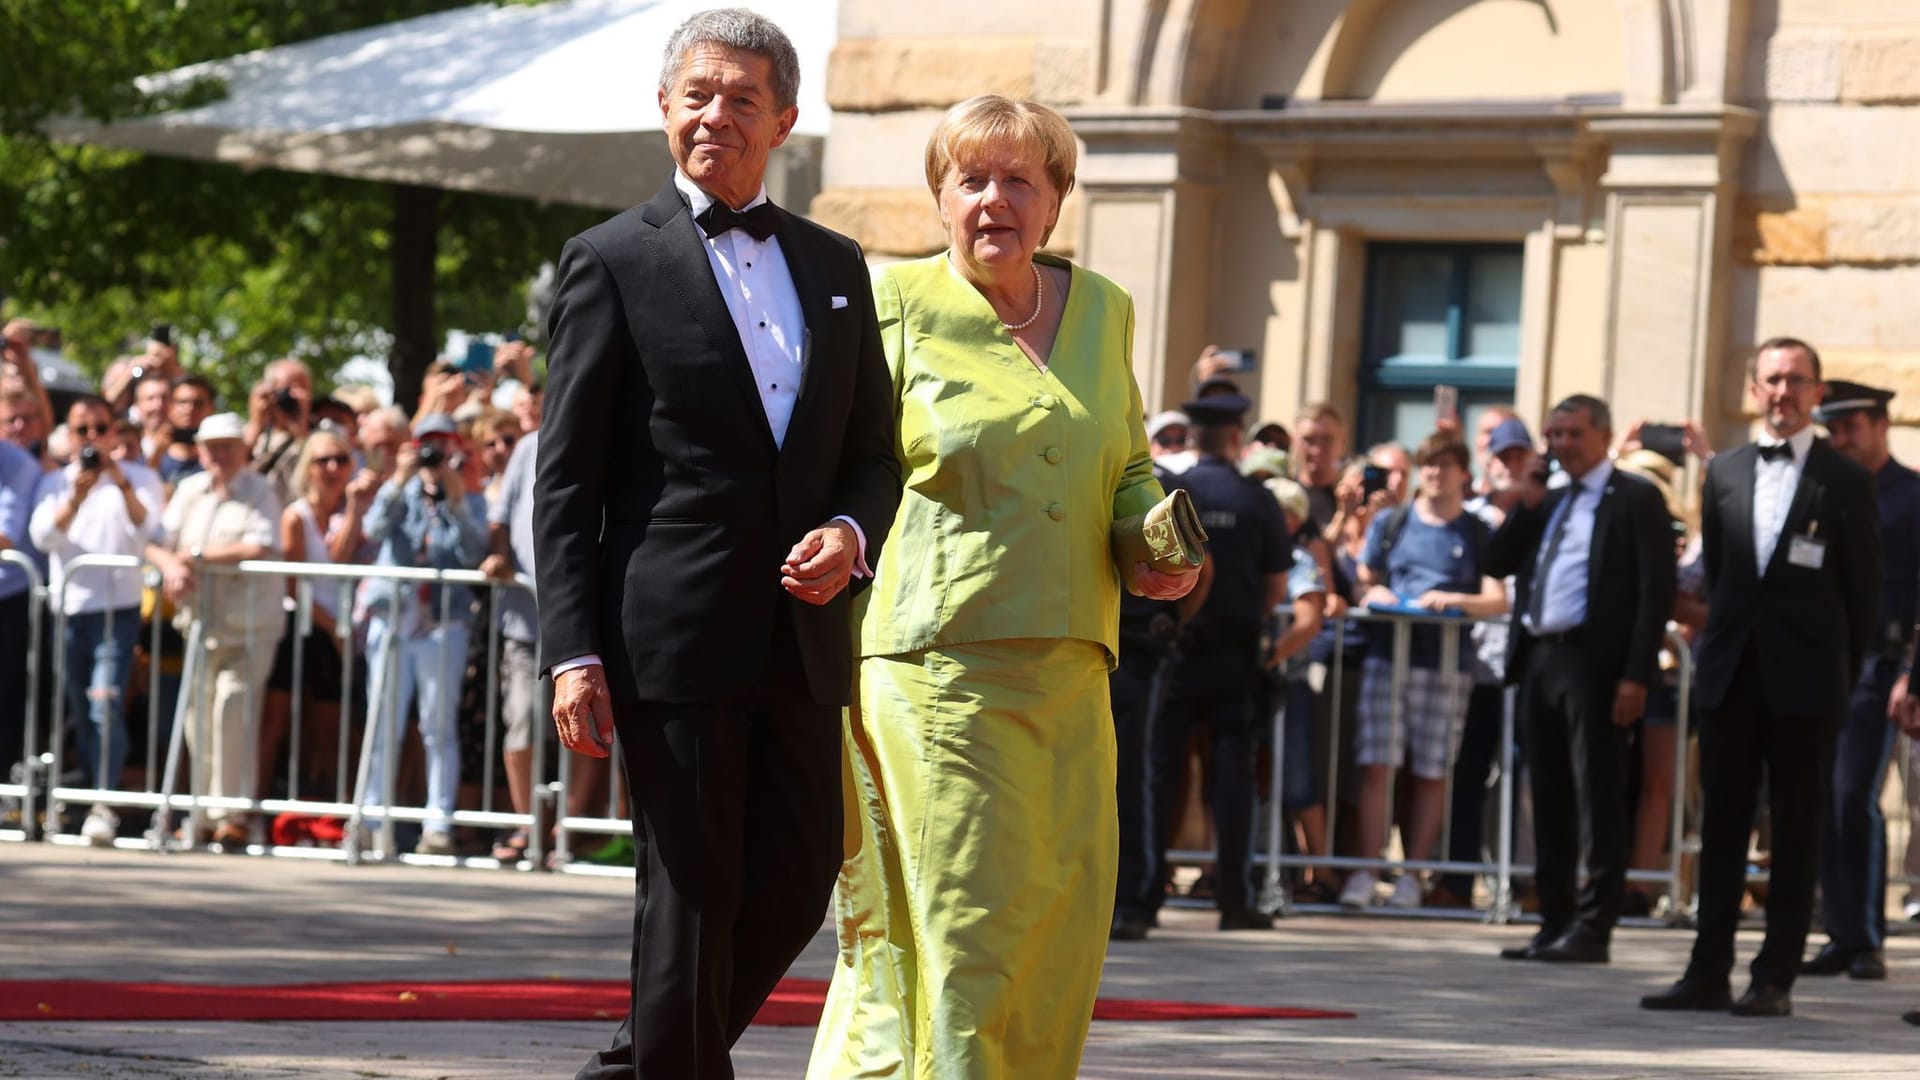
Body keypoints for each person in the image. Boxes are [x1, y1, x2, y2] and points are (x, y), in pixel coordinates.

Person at [533, 10, 900, 1077]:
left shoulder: (836, 265)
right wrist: (573, 648)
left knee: (791, 886)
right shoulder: (607, 260)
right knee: (690, 904)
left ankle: (632, 1068)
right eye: (696, 94)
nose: (715, 116)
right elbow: (568, 479)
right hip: (672, 640)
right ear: (663, 109)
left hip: (803, 638)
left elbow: (875, 454)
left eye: (742, 99)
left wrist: (848, 530)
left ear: (784, 119)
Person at [806, 94, 1190, 1080]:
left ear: (1056, 199)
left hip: (1073, 671)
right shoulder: (891, 304)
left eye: (1020, 179)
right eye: (970, 179)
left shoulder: (1104, 307)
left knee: (1059, 933)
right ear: (939, 196)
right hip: (940, 669)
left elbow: (1127, 465)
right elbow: (842, 468)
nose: (994, 200)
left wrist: (1156, 539)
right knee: (962, 938)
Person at [1642, 337, 1881, 1018]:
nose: (1785, 392)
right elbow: (1720, 579)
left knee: (1797, 829)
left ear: (1817, 391)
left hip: (1807, 685)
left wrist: (1838, 673)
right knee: (1721, 826)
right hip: (1731, 678)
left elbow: (1862, 597)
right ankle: (1706, 969)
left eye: (1798, 381)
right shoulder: (1725, 473)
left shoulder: (1845, 480)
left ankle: (1774, 975)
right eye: (1773, 380)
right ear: (1754, 390)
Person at [1483, 396, 1675, 963]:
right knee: (1548, 793)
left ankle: (1595, 925)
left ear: (1604, 436)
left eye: (1573, 434)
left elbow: (1653, 592)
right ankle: (1555, 919)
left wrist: (1636, 674)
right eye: (1554, 434)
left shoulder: (1635, 498)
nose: (1562, 444)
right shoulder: (1550, 499)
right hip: (1541, 658)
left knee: (1599, 794)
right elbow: (1497, 561)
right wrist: (1526, 501)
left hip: (1597, 662)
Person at [1144, 394, 1291, 932]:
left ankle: (1141, 900)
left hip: (1177, 650)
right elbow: (1276, 587)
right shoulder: (1257, 500)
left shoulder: (1175, 492)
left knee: (1160, 776)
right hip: (1233, 656)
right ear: (1236, 437)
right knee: (1232, 780)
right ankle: (1234, 899)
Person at [1341, 432, 1506, 909]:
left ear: (1463, 472)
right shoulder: (1393, 522)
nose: (1436, 473)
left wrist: (1457, 600)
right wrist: (1373, 597)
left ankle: (1413, 874)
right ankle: (1367, 871)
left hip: (1447, 665)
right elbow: (1363, 583)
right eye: (1429, 465)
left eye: (1445, 465)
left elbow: (1498, 598)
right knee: (1377, 767)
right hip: (1387, 658)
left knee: (1432, 772)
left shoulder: (1477, 532)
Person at [1799, 380, 1917, 982]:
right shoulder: (1826, 493)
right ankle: (1840, 931)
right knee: (1821, 797)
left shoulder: (1913, 496)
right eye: (1832, 430)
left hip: (1885, 662)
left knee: (1853, 797)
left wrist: (1911, 672)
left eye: (1850, 428)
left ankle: (1867, 935)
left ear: (1881, 425)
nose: (1840, 440)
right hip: (1825, 660)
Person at [144, 413, 285, 847]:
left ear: (243, 449)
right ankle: (203, 812)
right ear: (201, 451)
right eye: (212, 446)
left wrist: (197, 556)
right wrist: (172, 564)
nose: (220, 454)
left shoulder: (260, 491)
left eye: (228, 445)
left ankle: (232, 812)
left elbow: (258, 544)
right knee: (197, 716)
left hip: (249, 625)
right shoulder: (189, 491)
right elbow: (154, 541)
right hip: (201, 625)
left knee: (233, 708)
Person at [29, 395, 163, 843]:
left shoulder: (139, 478)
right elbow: (43, 536)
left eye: (100, 429)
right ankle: (90, 792)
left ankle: (104, 800)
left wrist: (118, 480)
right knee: (80, 711)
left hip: (118, 612)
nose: (91, 439)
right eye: (82, 430)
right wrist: (76, 495)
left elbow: (150, 529)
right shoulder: (54, 482)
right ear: (69, 435)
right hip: (69, 612)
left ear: (114, 431)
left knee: (104, 703)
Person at [358, 414, 487, 857]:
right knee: (383, 723)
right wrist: (398, 478)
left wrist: (456, 500)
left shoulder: (466, 495)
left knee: (438, 725)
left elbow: (474, 554)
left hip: (442, 620)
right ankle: (373, 821)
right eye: (425, 445)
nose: (433, 455)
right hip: (394, 616)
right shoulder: (400, 493)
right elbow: (372, 530)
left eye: (441, 445)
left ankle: (439, 821)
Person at [1431, 414, 1534, 910]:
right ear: (1488, 463)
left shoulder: (1546, 510)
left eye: (1519, 457)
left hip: (1526, 666)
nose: (1511, 466)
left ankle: (1523, 881)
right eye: (1503, 457)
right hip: (1475, 667)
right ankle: (1459, 878)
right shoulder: (1469, 517)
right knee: (1468, 774)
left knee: (1523, 778)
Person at [257, 428, 368, 806]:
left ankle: (333, 810)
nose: (333, 468)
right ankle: (253, 810)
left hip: (338, 629)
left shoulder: (350, 512)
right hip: (300, 626)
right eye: (323, 460)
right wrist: (331, 630)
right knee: (276, 723)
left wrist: (352, 509)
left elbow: (339, 559)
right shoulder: (296, 515)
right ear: (309, 467)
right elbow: (294, 585)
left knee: (331, 727)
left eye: (341, 459)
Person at [1294, 402, 1347, 536]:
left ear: (1342, 441)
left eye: (1327, 440)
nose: (1316, 450)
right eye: (1308, 440)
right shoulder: (1282, 496)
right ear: (1294, 441)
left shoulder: (1350, 498)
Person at [157, 374, 216, 490]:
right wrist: (155, 457)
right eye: (182, 402)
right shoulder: (154, 452)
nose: (190, 409)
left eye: (198, 403)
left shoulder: (223, 453)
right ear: (170, 407)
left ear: (211, 408)